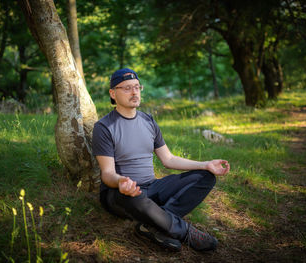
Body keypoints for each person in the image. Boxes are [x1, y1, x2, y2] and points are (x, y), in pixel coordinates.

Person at [92, 68, 230, 252]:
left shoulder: (148, 121)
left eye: (136, 87)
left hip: (151, 187)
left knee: (206, 177)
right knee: (134, 198)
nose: (134, 92)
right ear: (112, 93)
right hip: (122, 194)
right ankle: (185, 232)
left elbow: (169, 159)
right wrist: (121, 181)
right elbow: (107, 173)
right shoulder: (104, 127)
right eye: (126, 88)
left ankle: (152, 224)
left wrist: (205, 165)